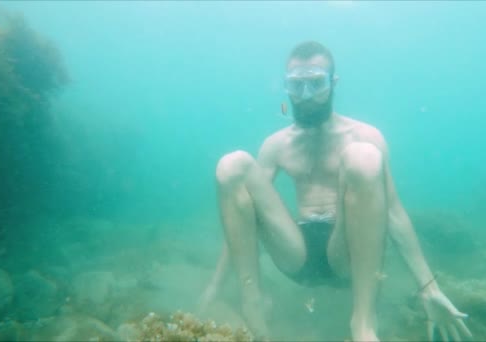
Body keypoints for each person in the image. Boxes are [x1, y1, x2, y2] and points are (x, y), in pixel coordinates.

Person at [198, 41, 472, 342]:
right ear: (285, 86)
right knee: (232, 165)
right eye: (296, 85)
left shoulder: (364, 135)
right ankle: (253, 305)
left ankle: (364, 323)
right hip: (296, 254)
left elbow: (393, 212)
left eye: (316, 84)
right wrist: (215, 286)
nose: (305, 97)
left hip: (349, 255)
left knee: (363, 156)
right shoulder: (277, 144)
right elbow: (240, 216)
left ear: (334, 83)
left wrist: (428, 287)